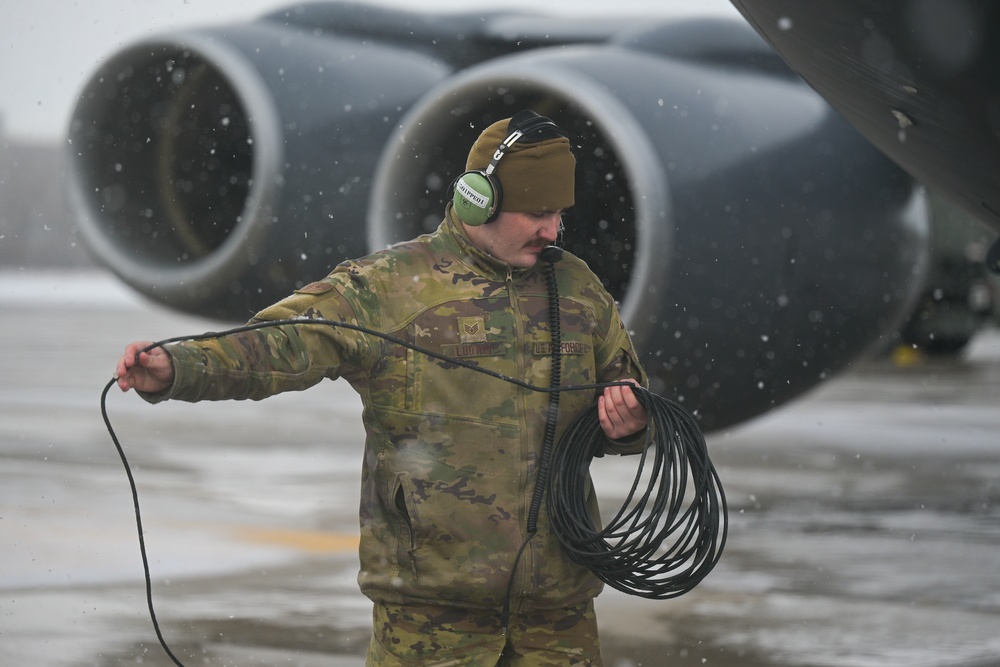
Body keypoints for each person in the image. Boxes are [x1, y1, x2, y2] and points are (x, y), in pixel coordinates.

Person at [116, 110, 649, 666]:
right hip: (430, 621)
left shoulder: (577, 289)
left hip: (557, 619)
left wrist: (631, 425)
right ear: (478, 200)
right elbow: (280, 345)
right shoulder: (390, 286)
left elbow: (628, 396)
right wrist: (179, 367)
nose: (552, 230)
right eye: (537, 213)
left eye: (559, 214)